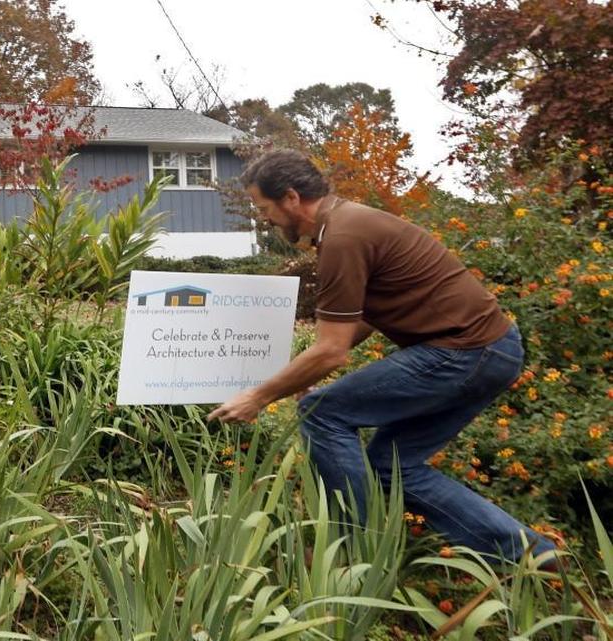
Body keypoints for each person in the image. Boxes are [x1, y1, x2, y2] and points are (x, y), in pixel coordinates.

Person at [207, 149, 556, 565]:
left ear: (291, 197)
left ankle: (355, 553)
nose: (264, 218)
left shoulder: (343, 237)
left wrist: (258, 397)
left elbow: (332, 352)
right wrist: (306, 368)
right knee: (392, 466)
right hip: (490, 349)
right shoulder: (349, 223)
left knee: (321, 411)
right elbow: (362, 323)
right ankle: (531, 554)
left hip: (465, 351)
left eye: (264, 208)